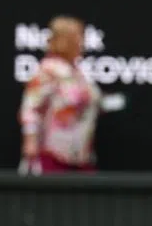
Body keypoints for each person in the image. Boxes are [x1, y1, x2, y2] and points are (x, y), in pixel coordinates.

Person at [18, 16, 103, 174]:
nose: (83, 42)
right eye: (79, 37)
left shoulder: (77, 72)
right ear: (67, 40)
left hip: (81, 156)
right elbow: (30, 109)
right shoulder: (48, 70)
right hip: (54, 156)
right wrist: (30, 142)